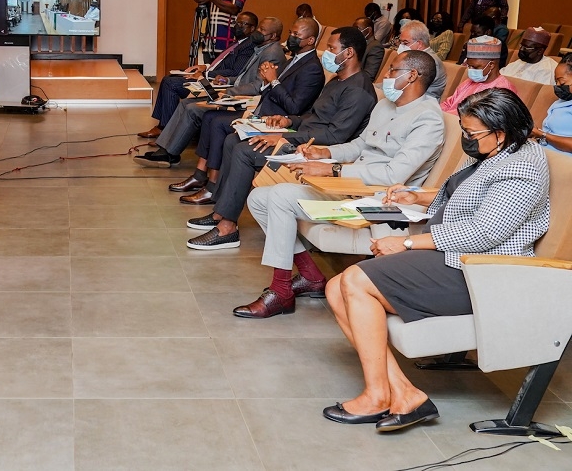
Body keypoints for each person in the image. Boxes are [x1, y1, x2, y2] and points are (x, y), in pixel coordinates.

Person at [323, 89, 548, 432]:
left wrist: (409, 242)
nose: (466, 139)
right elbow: (464, 194)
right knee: (335, 286)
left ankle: (377, 394)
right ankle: (401, 393)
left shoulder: (523, 168)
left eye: (472, 134)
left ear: (501, 132)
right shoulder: (496, 149)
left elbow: (484, 232)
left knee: (353, 281)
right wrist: (419, 196)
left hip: (482, 271)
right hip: (454, 256)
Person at [233, 50, 446, 318]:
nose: (386, 77)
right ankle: (310, 276)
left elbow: (394, 176)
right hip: (348, 187)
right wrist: (327, 153)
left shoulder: (428, 119)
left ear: (412, 75)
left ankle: (281, 291)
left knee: (280, 196)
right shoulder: (386, 106)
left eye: (392, 70)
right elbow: (360, 145)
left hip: (379, 202)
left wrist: (333, 169)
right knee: (259, 198)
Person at [184, 27, 377, 249]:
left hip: (314, 150)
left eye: (332, 49)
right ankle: (221, 213)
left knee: (244, 151)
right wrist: (288, 121)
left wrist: (284, 137)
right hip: (301, 137)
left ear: (349, 53)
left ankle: (227, 228)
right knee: (232, 141)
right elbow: (313, 116)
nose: (328, 53)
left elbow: (335, 135)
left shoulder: (358, 90)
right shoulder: (337, 81)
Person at [169, 18, 325, 187]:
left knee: (217, 123)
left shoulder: (312, 68)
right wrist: (266, 81)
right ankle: (201, 175)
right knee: (211, 117)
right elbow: (271, 91)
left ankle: (211, 184)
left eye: (296, 34)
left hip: (275, 120)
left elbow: (295, 106)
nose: (291, 38)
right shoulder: (293, 60)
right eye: (290, 33)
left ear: (310, 40)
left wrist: (273, 81)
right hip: (261, 111)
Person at [135, 18, 286, 168]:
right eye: (259, 28)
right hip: (236, 93)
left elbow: (258, 87)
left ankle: (170, 154)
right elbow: (243, 78)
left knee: (193, 108)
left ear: (273, 36)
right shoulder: (261, 48)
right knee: (186, 103)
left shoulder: (272, 53)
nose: (258, 32)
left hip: (246, 101)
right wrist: (227, 80)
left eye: (262, 30)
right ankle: (165, 147)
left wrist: (229, 92)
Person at [138, 11, 259, 139]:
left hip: (216, 82)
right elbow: (222, 63)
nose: (237, 26)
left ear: (252, 28)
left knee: (171, 84)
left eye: (243, 24)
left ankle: (166, 129)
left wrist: (205, 74)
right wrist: (204, 66)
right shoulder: (237, 42)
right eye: (236, 23)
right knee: (168, 78)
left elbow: (235, 72)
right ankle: (163, 125)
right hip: (208, 74)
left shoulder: (249, 46)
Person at [441, 36, 516, 115]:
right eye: (469, 66)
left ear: (491, 65)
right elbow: (448, 103)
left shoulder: (504, 91)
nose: (470, 70)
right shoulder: (469, 82)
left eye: (475, 67)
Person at [395, 21, 447, 100]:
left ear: (419, 44)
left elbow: (413, 89)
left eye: (405, 43)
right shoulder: (415, 57)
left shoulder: (430, 61)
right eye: (401, 42)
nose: (401, 46)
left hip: (423, 103)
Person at [531, 58, 572, 153]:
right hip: (543, 151)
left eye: (562, 82)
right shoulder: (562, 101)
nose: (557, 85)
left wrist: (542, 134)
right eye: (555, 81)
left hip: (563, 159)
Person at [355, 17, 386, 81]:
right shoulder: (357, 43)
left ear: (369, 30)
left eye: (357, 29)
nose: (355, 32)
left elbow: (369, 75)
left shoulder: (375, 47)